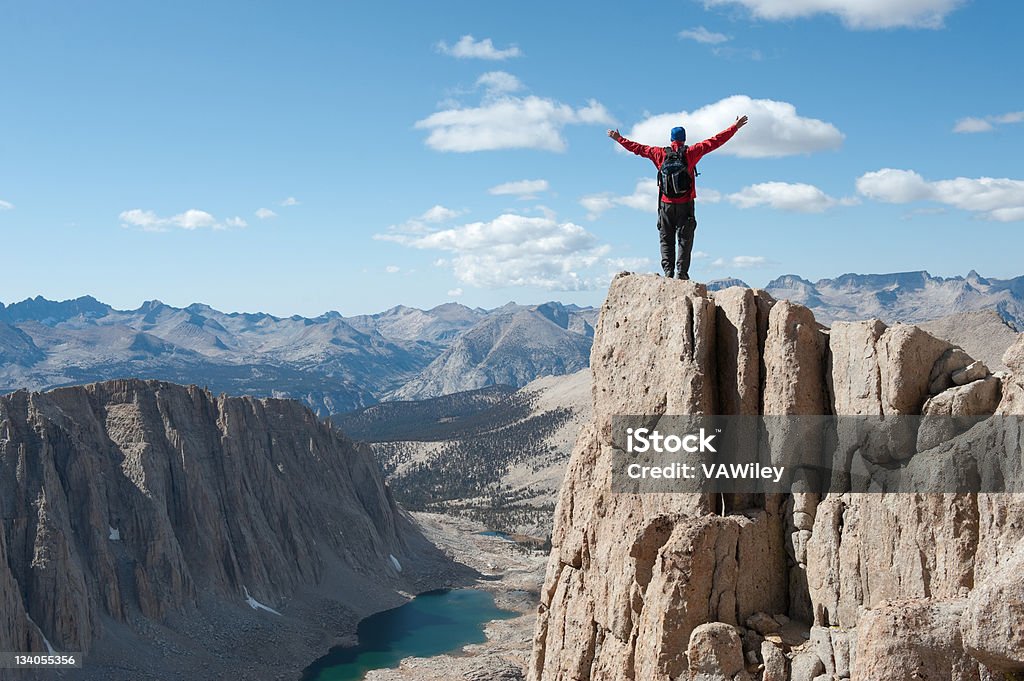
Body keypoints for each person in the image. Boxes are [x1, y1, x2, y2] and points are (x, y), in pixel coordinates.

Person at [607, 115, 748, 280]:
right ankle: (681, 274)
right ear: (684, 139)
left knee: (666, 240)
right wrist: (735, 127)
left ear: (671, 139)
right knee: (684, 240)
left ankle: (668, 272)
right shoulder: (691, 152)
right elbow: (715, 141)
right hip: (686, 204)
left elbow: (637, 148)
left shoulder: (659, 153)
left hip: (665, 205)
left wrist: (619, 139)